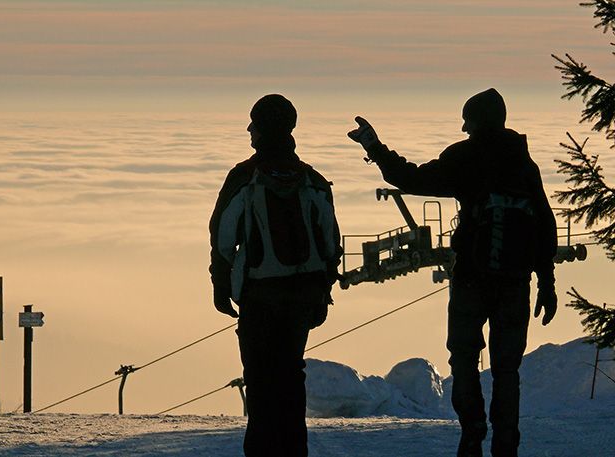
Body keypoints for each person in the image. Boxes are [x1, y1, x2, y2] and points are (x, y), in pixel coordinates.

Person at [347, 88, 558, 457]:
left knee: (464, 359)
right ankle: (506, 443)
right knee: (508, 370)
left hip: (471, 280)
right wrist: (547, 282)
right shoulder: (525, 166)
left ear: (477, 121)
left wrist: (373, 145)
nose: (462, 126)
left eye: (467, 120)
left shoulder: (465, 158)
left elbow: (408, 178)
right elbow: (544, 223)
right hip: (515, 281)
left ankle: (472, 436)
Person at [209, 94, 342, 457]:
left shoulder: (244, 177)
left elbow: (223, 238)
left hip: (260, 298)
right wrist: (322, 293)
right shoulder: (312, 181)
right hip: (302, 297)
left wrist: (221, 287)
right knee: (290, 377)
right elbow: (331, 243)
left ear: (264, 129)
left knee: (261, 382)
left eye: (254, 122)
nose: (249, 129)